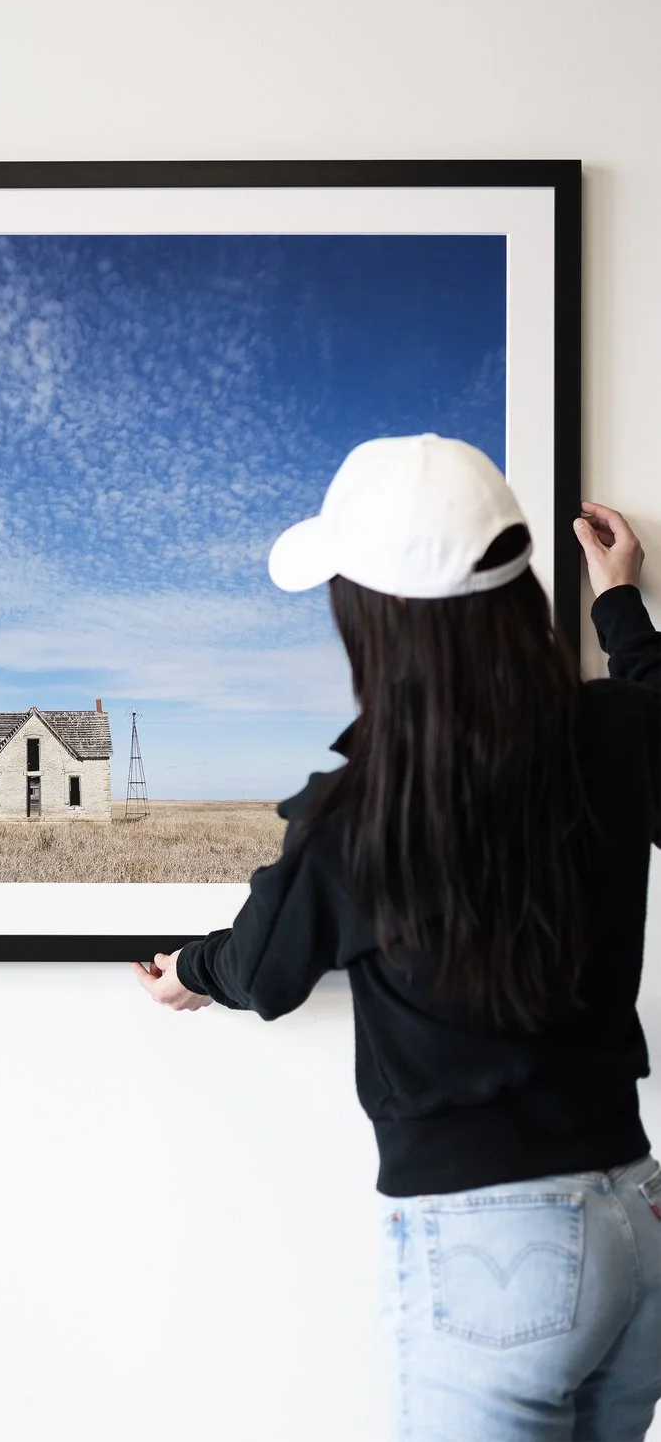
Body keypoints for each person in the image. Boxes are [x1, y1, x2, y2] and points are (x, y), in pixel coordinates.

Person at [131, 433, 661, 1441]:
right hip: (636, 1219)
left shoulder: (362, 809)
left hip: (495, 1252)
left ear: (369, 620)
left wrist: (186, 973)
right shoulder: (619, 734)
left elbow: (264, 966)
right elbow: (650, 701)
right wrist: (618, 606)